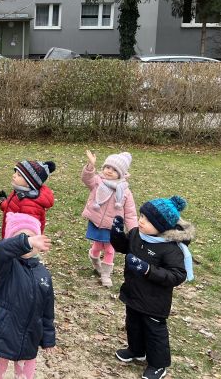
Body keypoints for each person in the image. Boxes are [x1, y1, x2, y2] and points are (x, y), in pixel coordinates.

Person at [111, 196, 195, 379]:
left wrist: (148, 269)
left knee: (154, 332)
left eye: (148, 220)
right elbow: (124, 246)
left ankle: (158, 364)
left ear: (161, 226)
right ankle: (136, 350)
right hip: (133, 292)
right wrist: (116, 234)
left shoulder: (170, 248)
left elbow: (177, 275)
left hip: (155, 301)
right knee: (133, 323)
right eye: (141, 215)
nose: (141, 221)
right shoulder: (136, 234)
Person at [0, 213, 55, 379]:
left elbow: (47, 310)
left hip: (29, 338)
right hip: (2, 335)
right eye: (22, 237)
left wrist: (48, 338)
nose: (29, 242)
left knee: (25, 376)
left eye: (32, 237)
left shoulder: (43, 274)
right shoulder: (5, 266)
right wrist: (26, 242)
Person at [81, 150, 138, 286]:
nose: (109, 171)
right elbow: (86, 179)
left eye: (114, 169)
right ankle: (95, 259)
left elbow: (130, 214)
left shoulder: (125, 192)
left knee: (110, 249)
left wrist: (134, 232)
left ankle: (105, 274)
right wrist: (90, 165)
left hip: (112, 227)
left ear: (121, 173)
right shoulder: (97, 182)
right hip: (96, 222)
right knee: (97, 246)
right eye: (107, 167)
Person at [0, 159, 56, 237]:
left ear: (29, 183)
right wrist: (4, 203)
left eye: (19, 175)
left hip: (18, 241)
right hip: (11, 235)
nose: (14, 175)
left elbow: (28, 232)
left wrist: (16, 242)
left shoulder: (30, 204)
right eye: (15, 172)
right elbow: (13, 208)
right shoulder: (20, 192)